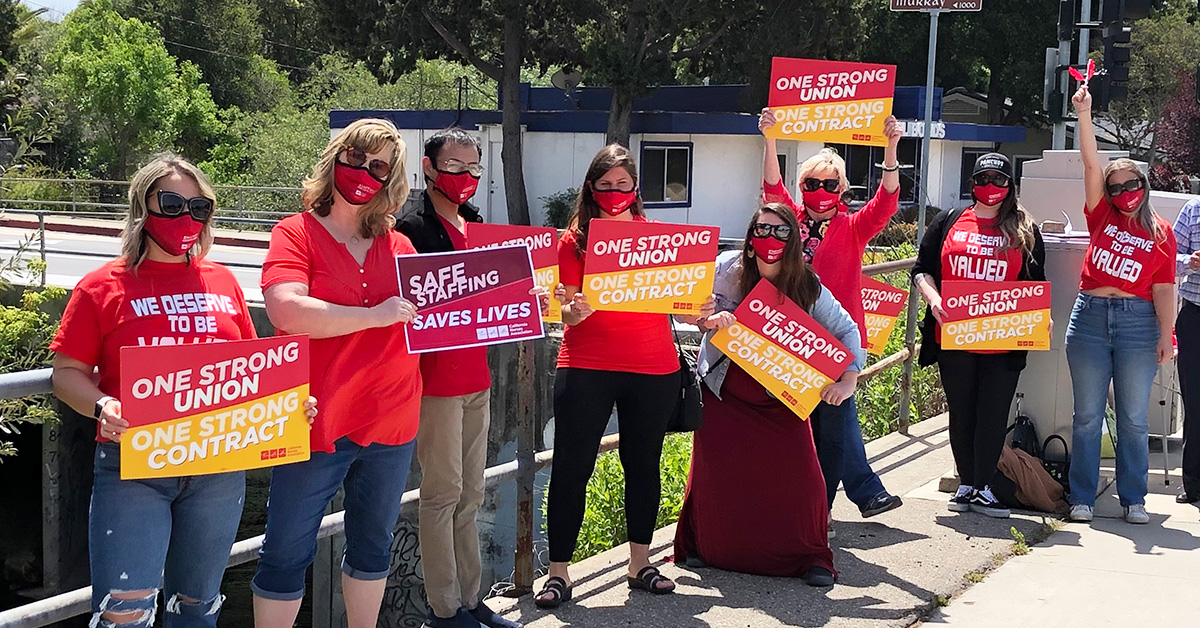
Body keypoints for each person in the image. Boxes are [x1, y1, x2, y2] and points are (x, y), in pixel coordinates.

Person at [49, 154, 317, 628]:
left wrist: (288, 403)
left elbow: (250, 370)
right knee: (123, 615)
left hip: (218, 470)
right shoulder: (100, 287)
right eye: (171, 203)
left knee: (196, 610)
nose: (186, 217)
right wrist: (102, 404)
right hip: (135, 468)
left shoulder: (224, 281)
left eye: (200, 207)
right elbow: (66, 373)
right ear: (142, 207)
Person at [252, 118, 423, 628]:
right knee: (285, 550)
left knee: (373, 545)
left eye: (378, 166)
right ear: (334, 159)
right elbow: (286, 311)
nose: (363, 172)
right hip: (313, 421)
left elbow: (438, 316)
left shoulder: (401, 246)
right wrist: (373, 317)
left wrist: (522, 303)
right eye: (354, 158)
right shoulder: (295, 232)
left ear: (390, 178)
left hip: (392, 419)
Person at [673, 202, 865, 587]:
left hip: (781, 402)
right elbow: (680, 308)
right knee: (718, 481)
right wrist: (705, 318)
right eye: (762, 231)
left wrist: (849, 379)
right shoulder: (726, 270)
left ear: (793, 240)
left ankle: (812, 556)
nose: (770, 239)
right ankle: (706, 548)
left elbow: (848, 332)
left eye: (781, 232)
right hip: (723, 393)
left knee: (805, 481)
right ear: (748, 240)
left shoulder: (807, 285)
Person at [534, 144, 681, 609]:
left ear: (635, 188)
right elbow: (569, 314)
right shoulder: (572, 240)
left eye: (623, 184)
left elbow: (681, 299)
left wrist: (704, 308)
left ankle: (640, 563)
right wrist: (573, 310)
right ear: (591, 188)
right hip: (587, 366)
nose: (614, 192)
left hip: (654, 366)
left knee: (644, 465)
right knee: (571, 468)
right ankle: (558, 574)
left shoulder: (658, 237)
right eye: (605, 184)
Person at [394, 128, 521, 628]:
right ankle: (445, 609)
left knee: (472, 495)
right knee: (441, 495)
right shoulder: (409, 228)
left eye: (474, 169)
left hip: (478, 379)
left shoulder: (476, 223)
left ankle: (472, 599)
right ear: (428, 168)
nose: (466, 178)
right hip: (435, 383)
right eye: (455, 168)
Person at [758, 109, 905, 532]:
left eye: (829, 183)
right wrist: (770, 139)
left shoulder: (853, 226)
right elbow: (772, 187)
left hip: (836, 338)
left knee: (836, 412)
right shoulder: (788, 222)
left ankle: (832, 500)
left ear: (841, 188)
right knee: (809, 416)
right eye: (811, 183)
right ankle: (852, 492)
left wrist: (890, 146)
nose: (819, 190)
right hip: (787, 335)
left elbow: (887, 202)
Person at [912, 152, 1046, 519]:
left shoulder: (1024, 229)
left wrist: (1040, 319)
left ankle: (985, 486)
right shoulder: (949, 222)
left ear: (1010, 185)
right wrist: (935, 300)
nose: (991, 186)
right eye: (983, 178)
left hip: (1003, 339)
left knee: (992, 412)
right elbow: (922, 270)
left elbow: (1035, 284)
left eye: (999, 180)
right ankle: (966, 483)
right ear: (972, 182)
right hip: (954, 335)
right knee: (962, 412)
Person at [1066, 86, 1176, 524]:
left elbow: (1164, 288)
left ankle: (1134, 498)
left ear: (1144, 186)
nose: (1125, 190)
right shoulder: (1101, 214)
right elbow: (1091, 163)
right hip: (1090, 316)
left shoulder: (1161, 231)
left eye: (1132, 183)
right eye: (1117, 187)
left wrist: (1166, 335)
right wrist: (1084, 113)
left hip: (1138, 323)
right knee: (1087, 416)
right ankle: (1083, 498)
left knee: (1132, 418)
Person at [1173, 197, 1200, 505]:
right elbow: (1168, 256)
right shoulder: (1193, 209)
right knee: (1194, 402)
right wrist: (1189, 262)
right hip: (1194, 316)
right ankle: (1193, 483)